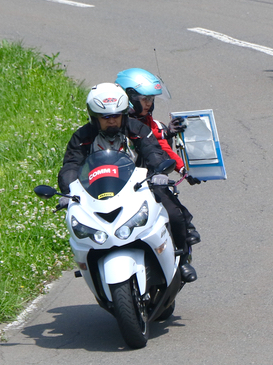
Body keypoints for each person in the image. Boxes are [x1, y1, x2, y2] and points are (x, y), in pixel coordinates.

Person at [58, 83, 197, 282]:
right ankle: (93, 268)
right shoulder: (82, 137)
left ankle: (182, 260)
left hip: (140, 185)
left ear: (124, 113)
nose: (112, 121)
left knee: (173, 213)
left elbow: (152, 150)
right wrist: (67, 192)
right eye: (105, 117)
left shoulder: (136, 128)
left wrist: (159, 170)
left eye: (116, 116)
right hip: (101, 191)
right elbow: (70, 165)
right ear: (94, 117)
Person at [115, 68, 201, 247]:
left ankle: (182, 254)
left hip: (147, 176)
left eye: (151, 100)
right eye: (144, 99)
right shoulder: (110, 122)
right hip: (117, 181)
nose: (148, 104)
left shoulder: (146, 120)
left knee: (174, 214)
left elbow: (159, 145)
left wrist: (182, 168)